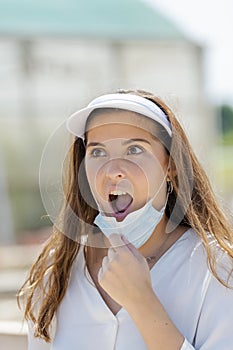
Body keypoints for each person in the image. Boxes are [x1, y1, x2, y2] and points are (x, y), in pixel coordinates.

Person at [18, 90, 233, 349]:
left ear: (171, 165)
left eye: (134, 149)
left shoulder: (218, 268)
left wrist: (141, 302)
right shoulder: (57, 269)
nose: (113, 170)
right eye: (98, 152)